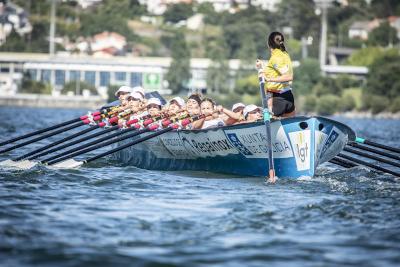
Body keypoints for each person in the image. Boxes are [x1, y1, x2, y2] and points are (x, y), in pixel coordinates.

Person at [256, 31, 295, 118]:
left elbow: (288, 76)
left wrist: (269, 79)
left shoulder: (275, 58)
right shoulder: (285, 54)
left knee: (265, 119)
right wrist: (261, 67)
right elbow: (276, 71)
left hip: (277, 98)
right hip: (288, 96)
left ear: (268, 43)